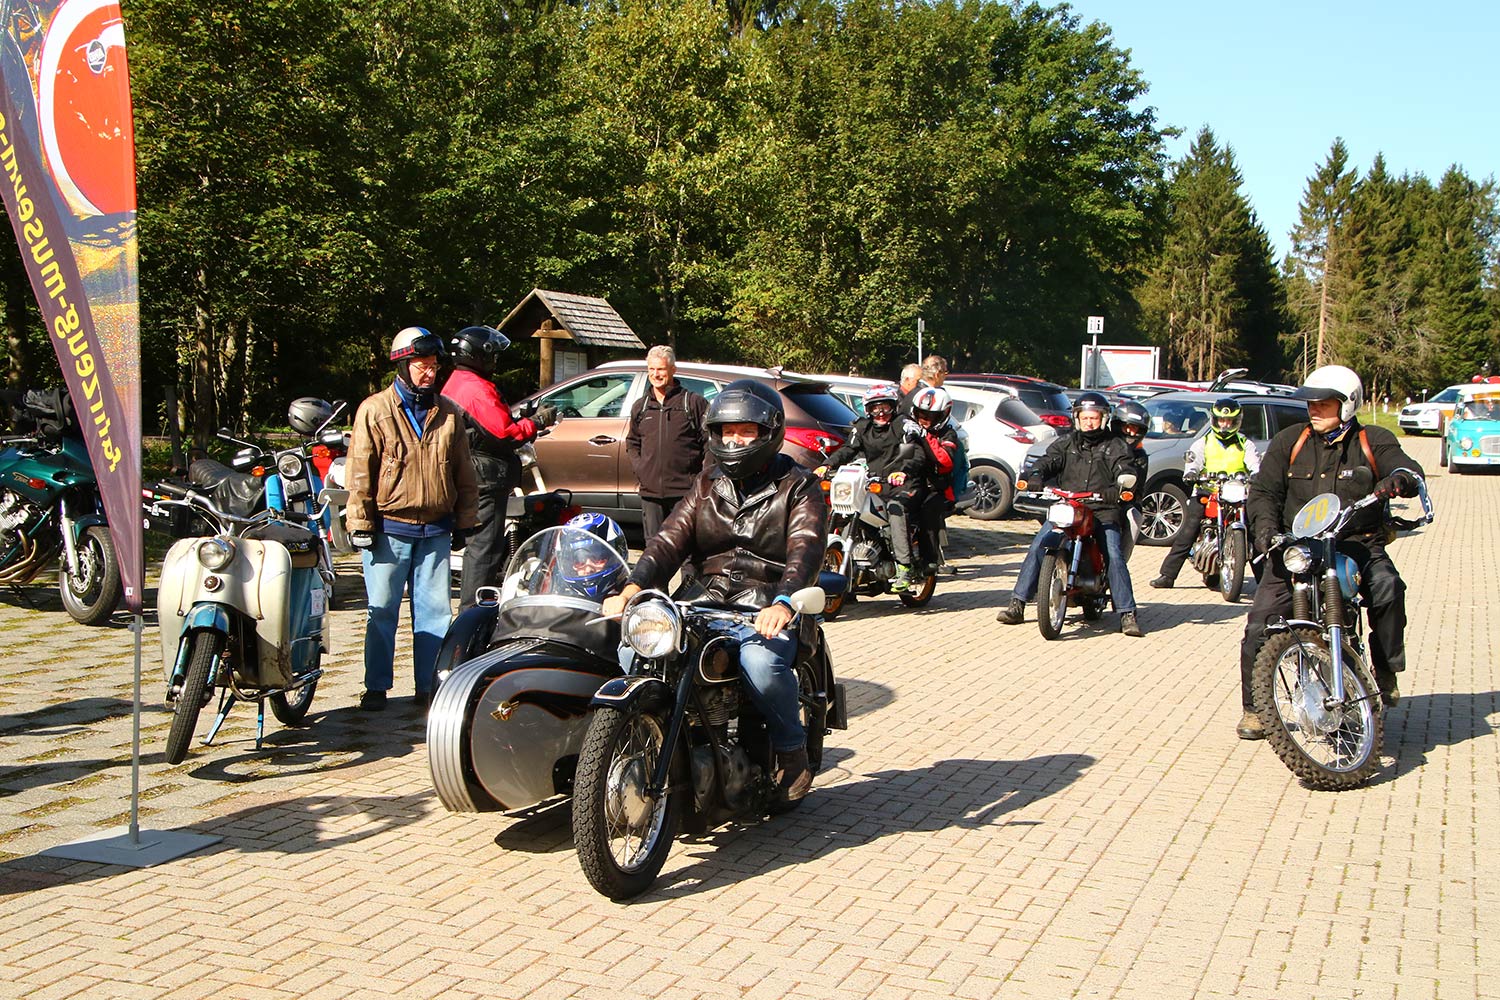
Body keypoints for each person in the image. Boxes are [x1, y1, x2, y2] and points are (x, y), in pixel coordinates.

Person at [601, 380, 827, 802]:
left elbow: (805, 549)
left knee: (761, 665)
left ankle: (792, 752)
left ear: (768, 432)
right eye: (727, 430)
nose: (734, 439)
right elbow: (668, 541)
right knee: (636, 646)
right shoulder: (706, 483)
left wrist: (784, 600)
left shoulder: (799, 487)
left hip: (765, 607)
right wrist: (633, 586)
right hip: (701, 601)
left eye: (745, 430)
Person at [1235, 365, 1422, 739]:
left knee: (1388, 588)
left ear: (1348, 405)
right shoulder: (1291, 442)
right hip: (1296, 547)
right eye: (1312, 403)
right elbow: (1264, 493)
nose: (1314, 409)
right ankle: (1254, 707)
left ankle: (1385, 667)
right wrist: (1267, 533)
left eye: (1324, 403)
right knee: (1260, 622)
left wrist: (1401, 478)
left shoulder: (1373, 439)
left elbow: (1407, 468)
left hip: (1356, 542)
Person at [345, 327, 480, 711]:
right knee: (382, 610)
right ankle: (376, 687)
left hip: (435, 528)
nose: (430, 373)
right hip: (388, 529)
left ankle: (429, 686)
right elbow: (360, 472)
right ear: (403, 365)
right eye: (422, 366)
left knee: (437, 613)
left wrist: (465, 521)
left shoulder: (449, 412)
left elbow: (464, 473)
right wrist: (360, 524)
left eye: (434, 366)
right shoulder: (374, 409)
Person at [995, 391, 1144, 636]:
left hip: (1101, 509)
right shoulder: (1067, 443)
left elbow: (1125, 467)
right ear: (1076, 418)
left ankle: (1127, 614)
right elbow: (1049, 460)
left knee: (1114, 554)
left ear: (1103, 419)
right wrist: (1036, 475)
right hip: (1069, 506)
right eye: (1084, 417)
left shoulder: (1115, 445)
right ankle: (1017, 604)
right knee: (1038, 546)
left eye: (1094, 418)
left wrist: (1118, 486)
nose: (1089, 422)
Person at [441, 325, 558, 609]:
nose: (495, 362)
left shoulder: (457, 380)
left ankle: (473, 609)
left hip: (470, 472)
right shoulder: (475, 388)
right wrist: (538, 422)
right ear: (479, 356)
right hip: (484, 478)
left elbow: (489, 424)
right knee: (485, 549)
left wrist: (521, 415)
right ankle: (473, 613)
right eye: (492, 356)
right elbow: (505, 434)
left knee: (478, 546)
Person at [1151, 398, 1262, 589]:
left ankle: (1264, 582)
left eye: (1229, 421)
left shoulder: (1245, 444)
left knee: (1254, 531)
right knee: (1189, 529)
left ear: (1237, 421)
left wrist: (1257, 475)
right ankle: (1167, 575)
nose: (1225, 425)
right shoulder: (1203, 442)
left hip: (1236, 492)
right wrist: (1192, 473)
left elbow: (1254, 465)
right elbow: (1193, 463)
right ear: (1215, 420)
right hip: (1207, 490)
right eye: (1221, 420)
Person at [626, 345, 709, 538]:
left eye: (661, 369)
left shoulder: (693, 403)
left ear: (673, 370)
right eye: (651, 369)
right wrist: (642, 469)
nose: (656, 374)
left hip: (685, 493)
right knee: (654, 552)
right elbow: (632, 442)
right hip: (651, 493)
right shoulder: (641, 407)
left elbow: (709, 444)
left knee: (688, 553)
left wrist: (701, 479)